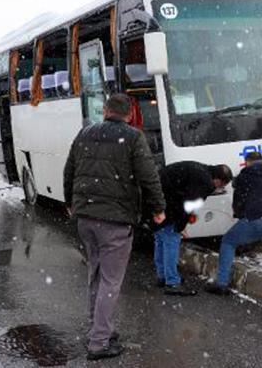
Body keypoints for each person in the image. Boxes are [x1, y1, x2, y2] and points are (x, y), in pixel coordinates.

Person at [63, 93, 165, 361]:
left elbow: (69, 170)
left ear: (105, 110)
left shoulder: (85, 133)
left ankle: (99, 328)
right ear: (129, 115)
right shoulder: (132, 137)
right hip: (115, 220)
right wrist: (158, 209)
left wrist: (70, 203)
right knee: (110, 280)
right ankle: (98, 343)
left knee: (96, 276)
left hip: (85, 217)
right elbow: (149, 176)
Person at [205, 152, 262, 296]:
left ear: (247, 162)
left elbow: (239, 202)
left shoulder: (245, 176)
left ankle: (222, 284)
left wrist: (240, 215)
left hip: (261, 221)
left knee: (228, 241)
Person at [155, 161, 232, 296]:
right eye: (221, 186)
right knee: (171, 241)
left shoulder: (200, 169)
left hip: (157, 199)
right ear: (219, 181)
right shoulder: (205, 182)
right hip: (168, 204)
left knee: (161, 239)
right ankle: (172, 283)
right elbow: (189, 206)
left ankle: (163, 276)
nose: (218, 189)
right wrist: (180, 226)